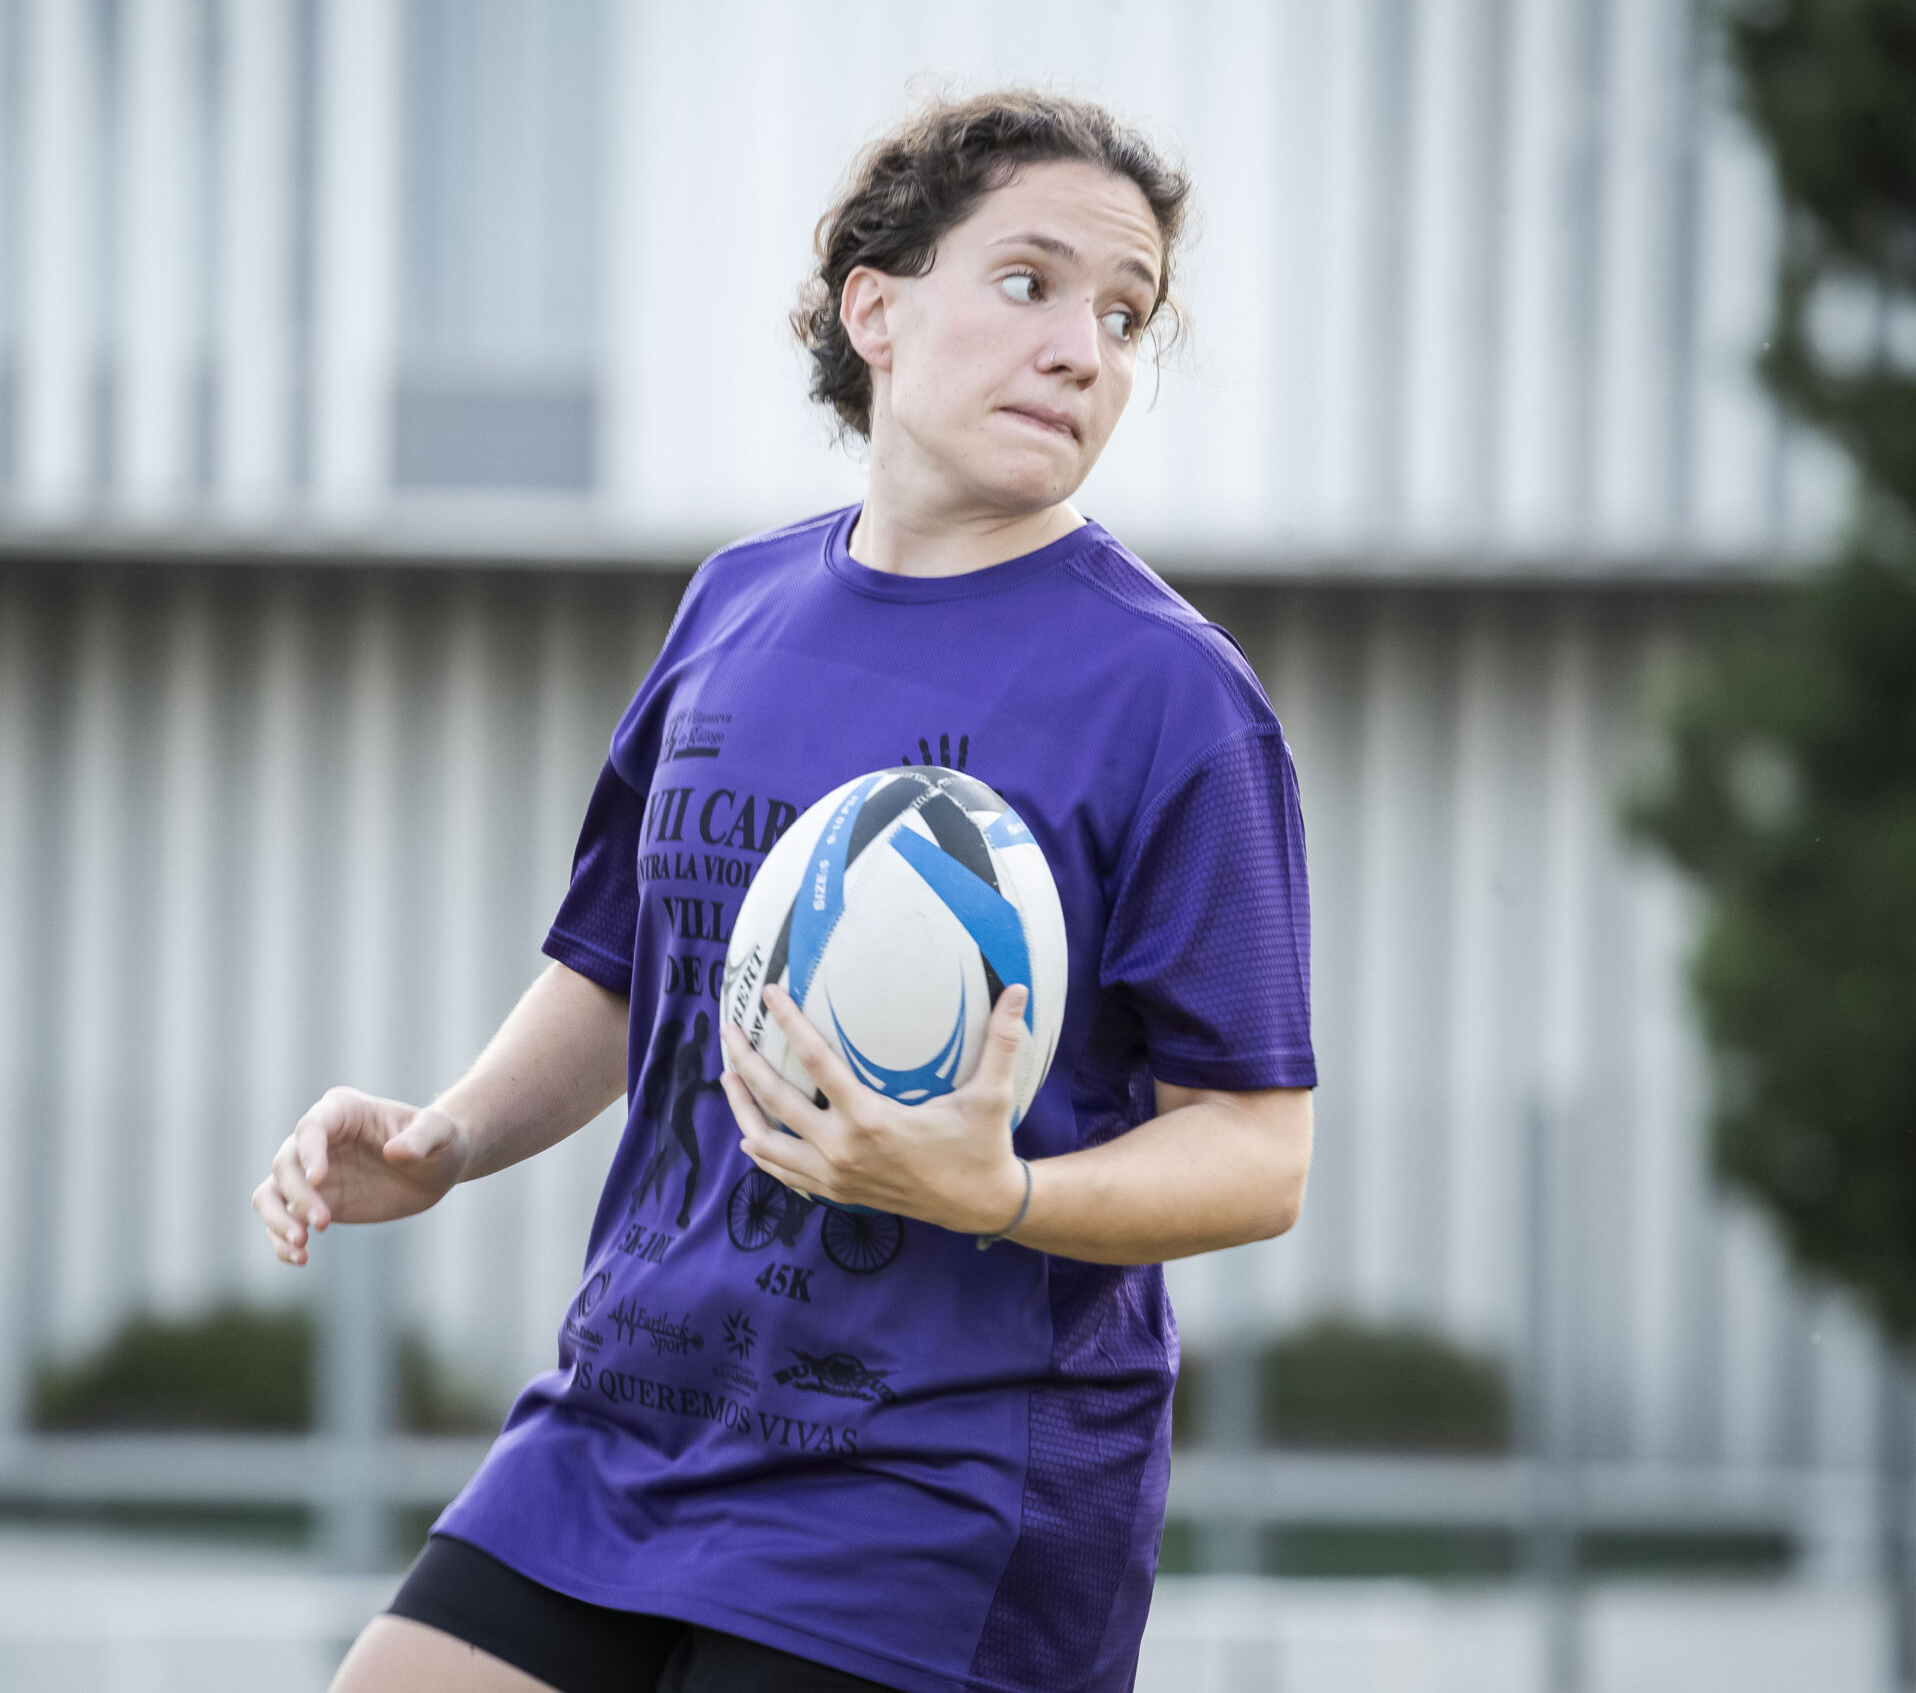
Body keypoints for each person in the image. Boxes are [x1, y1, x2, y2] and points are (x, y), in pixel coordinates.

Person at [252, 88, 1317, 1693]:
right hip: (630, 1417)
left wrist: (1001, 1196)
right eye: (1028, 284)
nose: (1084, 347)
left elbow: (1258, 1153)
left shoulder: (1171, 695)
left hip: (937, 1487)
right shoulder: (735, 606)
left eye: (1125, 314)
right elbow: (624, 968)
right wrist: (444, 1137)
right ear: (873, 309)